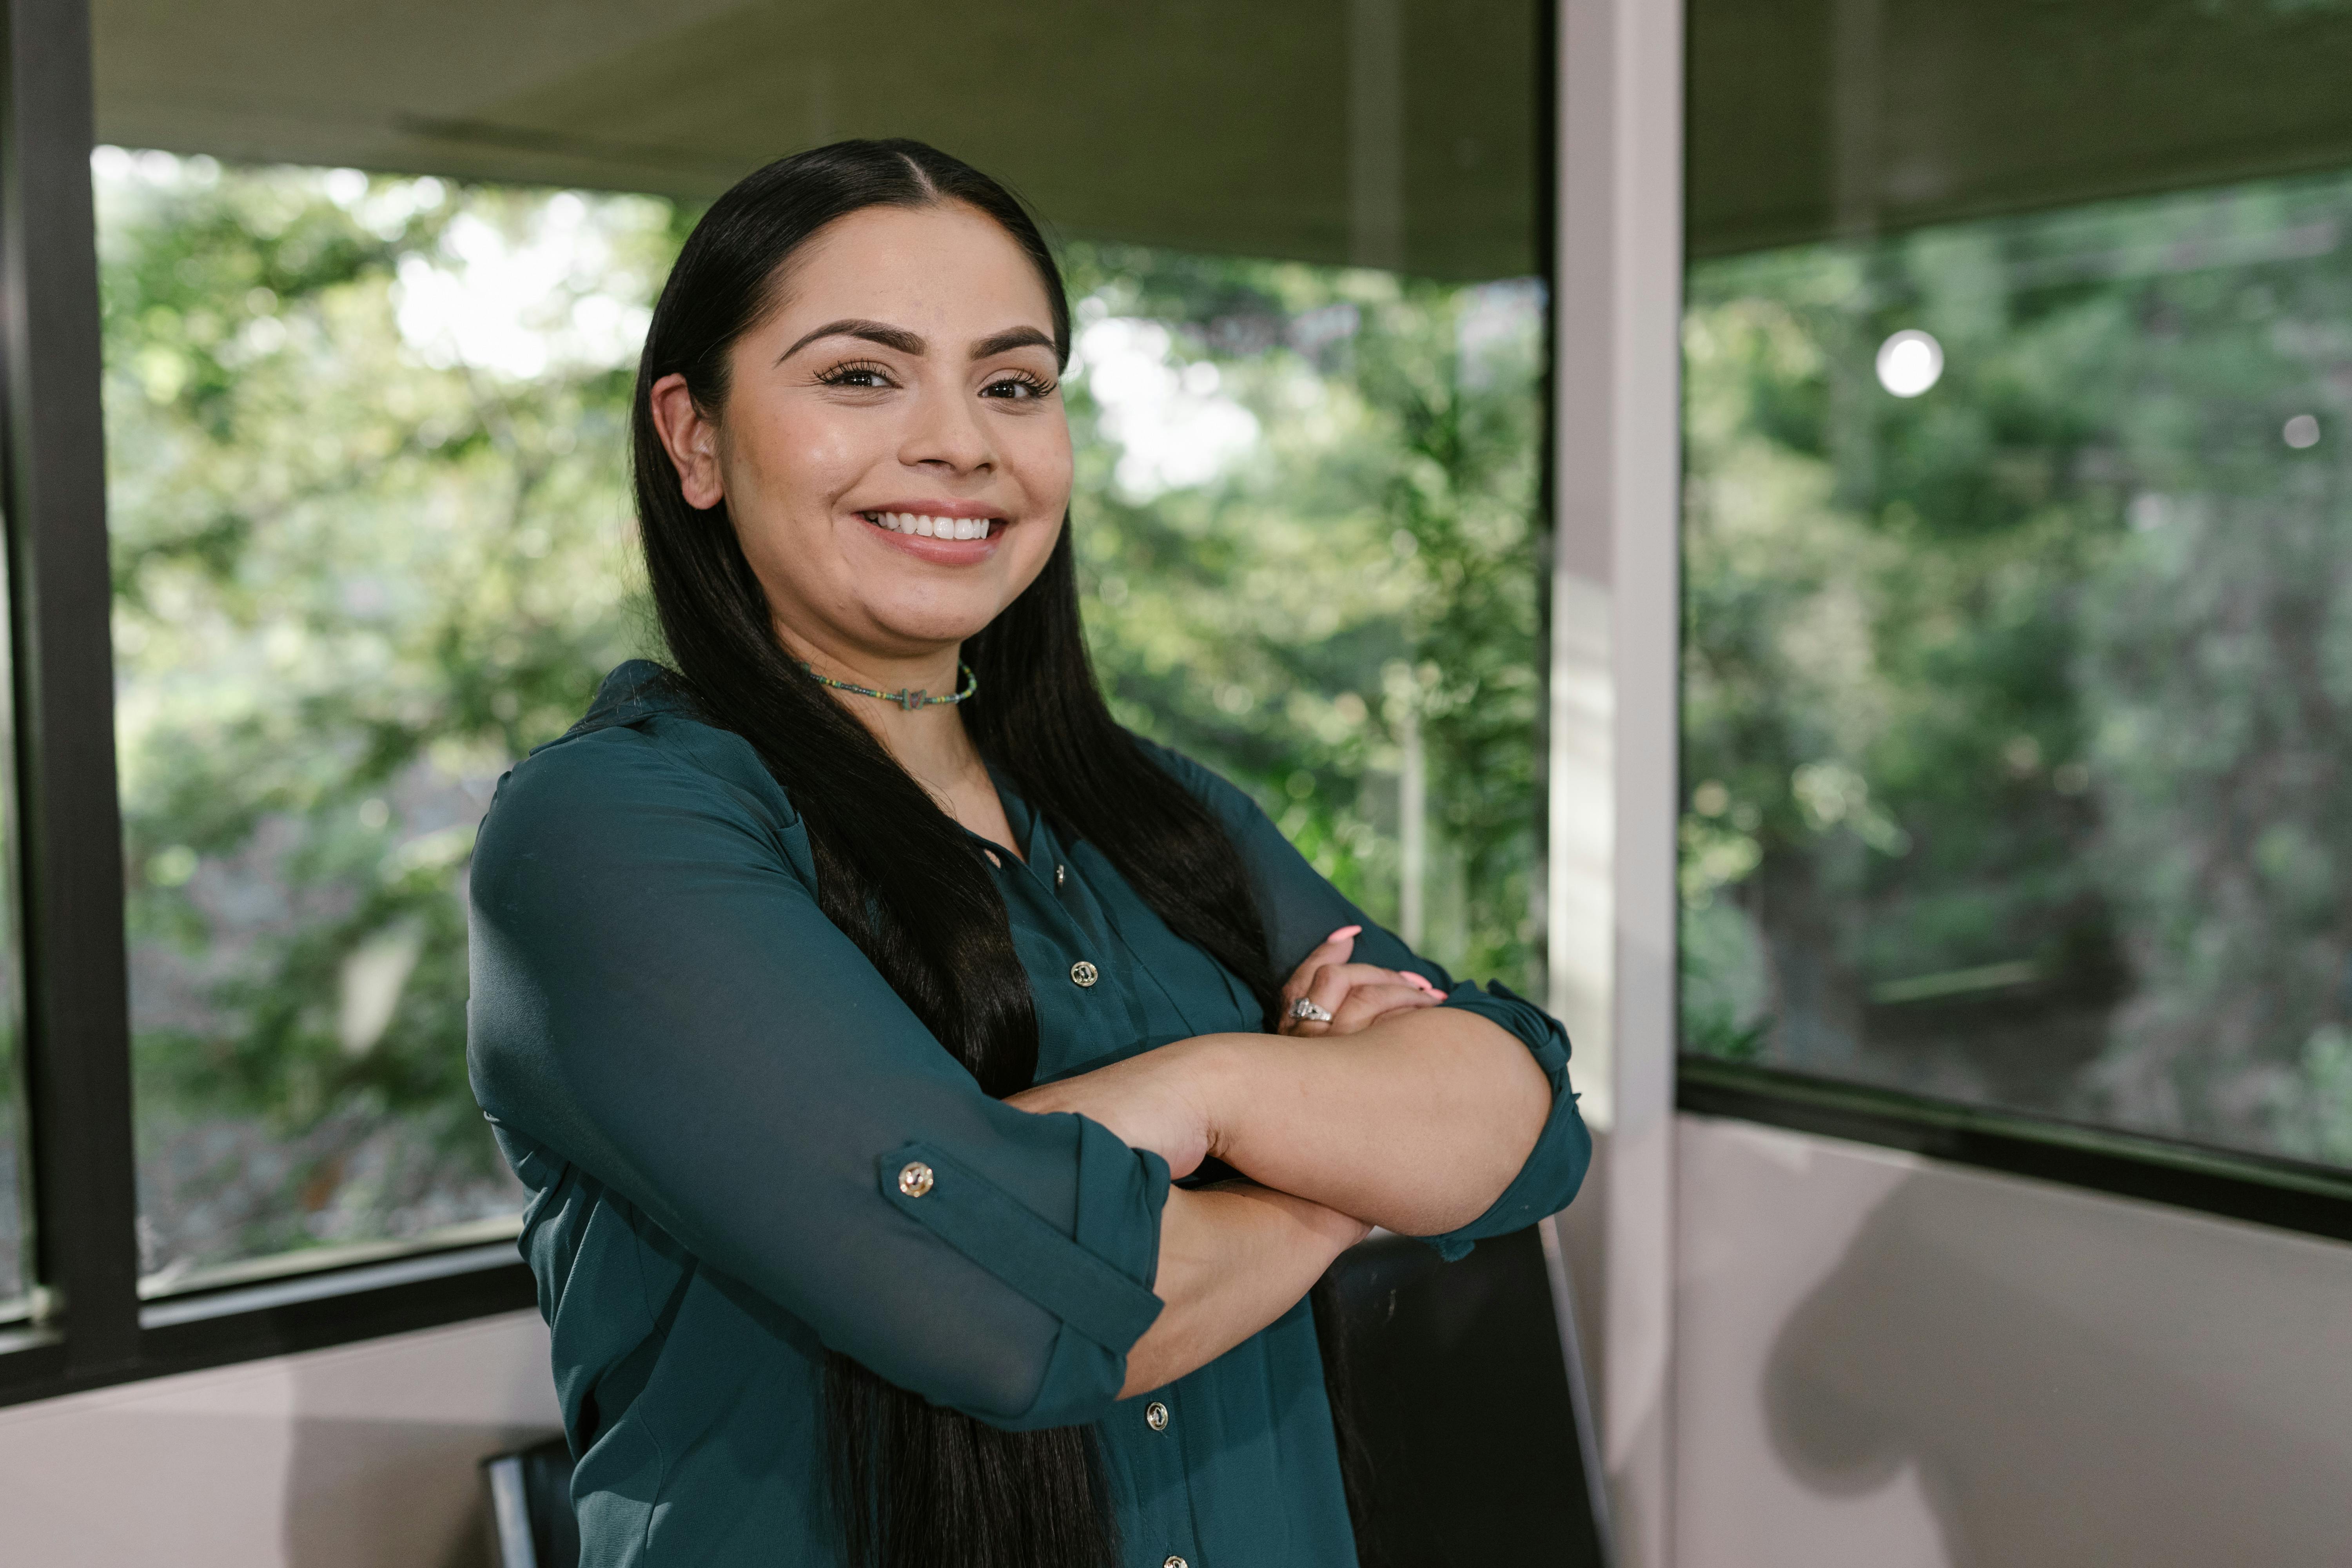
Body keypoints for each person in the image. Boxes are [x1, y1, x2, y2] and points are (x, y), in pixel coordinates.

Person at [466, 138, 1590, 1568]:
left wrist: (1211, 1088)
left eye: (1013, 384)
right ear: (693, 436)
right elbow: (1012, 1314)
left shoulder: (1158, 815)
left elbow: (1526, 1127)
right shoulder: (607, 837)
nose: (964, 443)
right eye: (860, 375)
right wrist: (1334, 1164)